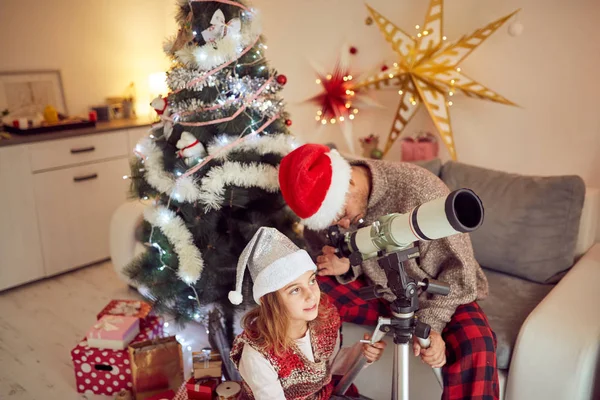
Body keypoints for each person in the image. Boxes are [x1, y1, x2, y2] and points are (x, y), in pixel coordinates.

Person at [278, 144, 499, 400]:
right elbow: (323, 251)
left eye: (343, 215)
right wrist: (346, 265)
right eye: (335, 223)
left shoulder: (420, 191)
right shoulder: (324, 204)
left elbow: (459, 274)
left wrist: (432, 325)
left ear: (348, 182)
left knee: (477, 346)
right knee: (299, 305)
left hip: (435, 291)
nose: (345, 225)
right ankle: (323, 391)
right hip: (379, 289)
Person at [228, 227, 386, 400]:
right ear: (268, 300)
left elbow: (329, 365)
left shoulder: (325, 319)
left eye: (312, 280)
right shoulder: (258, 354)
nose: (311, 295)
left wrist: (362, 354)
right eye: (295, 290)